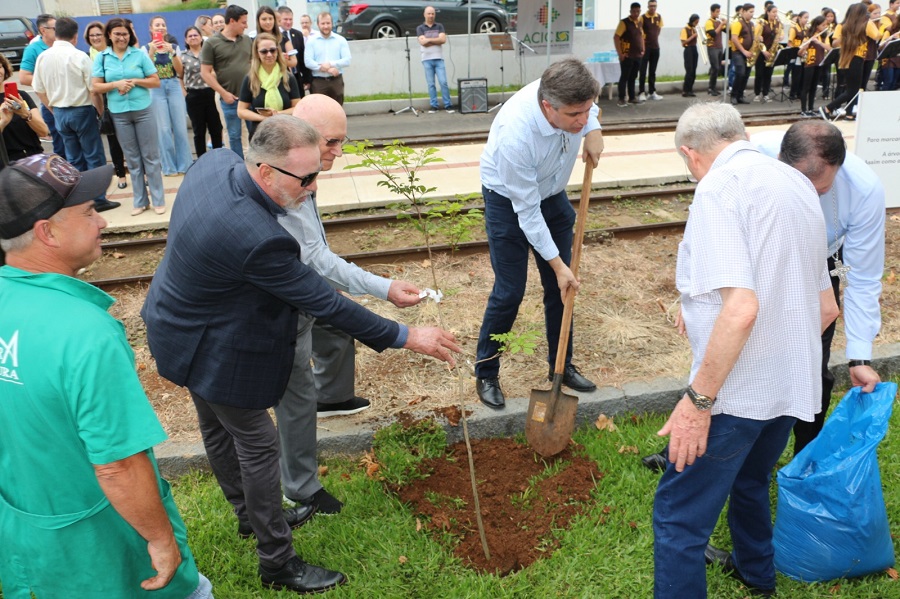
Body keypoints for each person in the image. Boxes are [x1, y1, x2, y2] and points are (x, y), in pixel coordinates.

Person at [141, 115, 460, 594]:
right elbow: (325, 302)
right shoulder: (258, 237)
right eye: (306, 178)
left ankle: (249, 516)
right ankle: (277, 561)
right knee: (258, 446)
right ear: (266, 171)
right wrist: (406, 336)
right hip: (211, 347)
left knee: (217, 429)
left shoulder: (215, 163)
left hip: (173, 322)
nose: (313, 188)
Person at [0, 153, 212, 599]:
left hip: (30, 541)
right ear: (47, 232)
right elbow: (117, 464)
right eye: (88, 212)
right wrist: (161, 540)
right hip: (104, 547)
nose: (102, 221)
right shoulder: (85, 331)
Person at [653, 102, 838, 599]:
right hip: (791, 384)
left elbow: (741, 308)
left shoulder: (718, 188)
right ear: (741, 135)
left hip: (736, 394)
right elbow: (826, 306)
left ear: (691, 155)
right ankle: (758, 576)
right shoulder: (796, 183)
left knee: (678, 516)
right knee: (751, 481)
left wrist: (698, 401)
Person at [275, 94, 424, 513]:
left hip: (300, 278)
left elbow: (311, 250)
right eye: (332, 142)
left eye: (343, 140)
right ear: (303, 138)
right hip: (279, 301)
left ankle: (333, 397)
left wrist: (341, 286)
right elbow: (314, 258)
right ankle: (300, 489)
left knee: (335, 323)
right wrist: (384, 290)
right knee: (295, 393)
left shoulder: (299, 166)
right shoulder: (285, 178)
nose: (340, 152)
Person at [474, 58, 603, 409]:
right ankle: (486, 371)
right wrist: (558, 265)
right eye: (575, 115)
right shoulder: (515, 135)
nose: (582, 119)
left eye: (587, 110)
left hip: (552, 194)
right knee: (509, 291)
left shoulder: (570, 97)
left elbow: (589, 109)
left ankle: (561, 365)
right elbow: (528, 214)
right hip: (509, 202)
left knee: (562, 289)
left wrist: (593, 130)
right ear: (548, 107)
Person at [753, 121, 884, 454]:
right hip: (759, 257)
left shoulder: (864, 189)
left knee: (811, 363)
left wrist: (858, 357)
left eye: (819, 191)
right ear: (779, 159)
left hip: (821, 264)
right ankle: (704, 447)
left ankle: (806, 456)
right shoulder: (753, 154)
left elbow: (863, 277)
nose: (806, 200)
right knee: (740, 355)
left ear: (838, 168)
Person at [31, 17, 119, 213]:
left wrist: (53, 109)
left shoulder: (43, 57)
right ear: (76, 36)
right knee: (93, 155)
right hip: (81, 109)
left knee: (73, 158)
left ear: (56, 33)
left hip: (59, 111)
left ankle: (80, 201)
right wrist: (100, 112)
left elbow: (38, 88)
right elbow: (93, 89)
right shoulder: (79, 56)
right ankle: (98, 199)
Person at [92, 18, 166, 216]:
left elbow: (155, 81)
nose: (121, 38)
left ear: (130, 35)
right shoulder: (102, 58)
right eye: (117, 34)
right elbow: (95, 87)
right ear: (109, 35)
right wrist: (115, 85)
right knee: (132, 159)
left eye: (125, 34)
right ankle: (140, 201)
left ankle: (158, 199)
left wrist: (136, 81)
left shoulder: (139, 55)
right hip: (119, 113)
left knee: (150, 156)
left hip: (143, 110)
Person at [201, 4, 252, 158]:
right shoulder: (212, 43)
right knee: (234, 136)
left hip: (250, 98)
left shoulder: (247, 40)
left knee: (254, 134)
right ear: (232, 21)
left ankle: (253, 165)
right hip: (230, 99)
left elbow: (253, 65)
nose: (246, 26)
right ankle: (237, 166)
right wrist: (223, 93)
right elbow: (205, 73)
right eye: (243, 22)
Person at [146, 16, 192, 176]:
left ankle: (185, 165)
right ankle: (169, 167)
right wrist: (152, 51)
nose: (160, 27)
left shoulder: (174, 47)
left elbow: (179, 71)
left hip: (173, 85)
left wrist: (172, 53)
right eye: (157, 25)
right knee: (163, 129)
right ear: (151, 29)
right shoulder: (145, 48)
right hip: (156, 88)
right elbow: (146, 70)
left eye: (163, 25)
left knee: (180, 128)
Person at [84, 20, 128, 190]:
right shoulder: (88, 57)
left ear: (106, 35)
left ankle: (141, 172)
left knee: (131, 140)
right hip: (104, 104)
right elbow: (93, 89)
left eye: (98, 34)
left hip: (122, 99)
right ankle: (121, 174)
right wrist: (101, 111)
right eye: (92, 35)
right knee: (113, 141)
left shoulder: (113, 54)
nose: (95, 38)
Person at [821, 3, 880, 119]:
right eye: (865, 12)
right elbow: (877, 36)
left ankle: (849, 114)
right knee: (852, 90)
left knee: (852, 88)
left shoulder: (845, 25)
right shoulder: (863, 24)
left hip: (849, 59)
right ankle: (828, 108)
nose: (867, 14)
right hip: (854, 58)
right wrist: (847, 36)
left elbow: (875, 37)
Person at [237, 34, 301, 140]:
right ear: (257, 53)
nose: (269, 54)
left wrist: (278, 114)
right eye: (264, 51)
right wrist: (264, 118)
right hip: (260, 134)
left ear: (278, 51)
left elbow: (297, 107)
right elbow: (241, 111)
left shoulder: (288, 77)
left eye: (273, 50)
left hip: (286, 132)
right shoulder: (251, 78)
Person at [18, 14, 65, 159]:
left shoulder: (63, 45)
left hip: (70, 101)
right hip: (51, 104)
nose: (59, 31)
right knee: (62, 148)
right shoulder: (33, 49)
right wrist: (49, 81)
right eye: (55, 28)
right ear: (43, 30)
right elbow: (24, 77)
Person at [0, 54, 48, 168]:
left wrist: (25, 114)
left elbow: (43, 132)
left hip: (34, 159)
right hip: (7, 165)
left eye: (0, 67)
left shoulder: (21, 96)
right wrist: (3, 122)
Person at [183, 26, 223, 158]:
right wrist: (185, 93)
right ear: (186, 40)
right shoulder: (183, 56)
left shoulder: (209, 54)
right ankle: (201, 159)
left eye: (196, 35)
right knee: (198, 131)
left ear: (201, 38)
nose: (193, 38)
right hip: (193, 95)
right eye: (190, 36)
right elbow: (179, 76)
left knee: (215, 128)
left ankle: (218, 157)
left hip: (210, 93)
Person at [304, 12, 351, 105]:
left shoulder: (341, 40)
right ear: (318, 24)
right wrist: (327, 69)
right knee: (318, 109)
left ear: (332, 23)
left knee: (337, 108)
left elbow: (347, 60)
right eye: (323, 23)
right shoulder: (311, 41)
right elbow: (308, 62)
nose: (326, 26)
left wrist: (331, 64)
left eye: (328, 23)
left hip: (336, 81)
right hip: (318, 82)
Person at [418, 6, 455, 113]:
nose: (431, 16)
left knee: (443, 82)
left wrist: (428, 39)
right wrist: (436, 39)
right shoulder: (420, 28)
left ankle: (448, 105)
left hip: (439, 59)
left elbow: (443, 40)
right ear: (424, 14)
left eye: (433, 14)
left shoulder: (439, 26)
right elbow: (422, 42)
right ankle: (434, 106)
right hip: (426, 60)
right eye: (429, 13)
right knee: (431, 84)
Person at [799, 15, 832, 116]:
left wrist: (819, 42)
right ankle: (803, 110)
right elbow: (799, 53)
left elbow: (829, 48)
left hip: (819, 63)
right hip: (809, 63)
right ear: (817, 26)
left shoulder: (824, 36)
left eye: (825, 25)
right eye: (823, 25)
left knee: (814, 87)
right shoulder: (808, 35)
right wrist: (805, 46)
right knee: (806, 87)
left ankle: (810, 109)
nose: (825, 27)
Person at [614, 3, 645, 107]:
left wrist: (643, 49)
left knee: (633, 77)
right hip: (627, 54)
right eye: (634, 11)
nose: (636, 13)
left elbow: (641, 36)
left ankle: (632, 97)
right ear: (630, 11)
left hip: (637, 55)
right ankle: (621, 98)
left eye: (638, 11)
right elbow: (616, 37)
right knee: (625, 77)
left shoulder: (639, 22)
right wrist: (620, 53)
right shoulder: (624, 23)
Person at [751, 4, 782, 102]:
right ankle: (757, 93)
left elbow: (779, 35)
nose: (775, 14)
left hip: (772, 52)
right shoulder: (762, 23)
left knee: (768, 74)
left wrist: (780, 37)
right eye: (773, 12)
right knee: (759, 74)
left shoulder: (777, 24)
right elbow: (756, 38)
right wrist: (763, 50)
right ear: (768, 12)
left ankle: (765, 93)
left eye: (776, 12)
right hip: (761, 52)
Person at [252, 6, 298, 71]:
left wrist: (282, 59)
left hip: (282, 73)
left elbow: (294, 62)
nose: (268, 22)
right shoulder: (254, 40)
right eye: (264, 19)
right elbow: (253, 62)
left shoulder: (283, 37)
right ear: (258, 21)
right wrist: (277, 57)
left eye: (270, 19)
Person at [277, 6, 312, 91]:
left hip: (297, 77)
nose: (288, 22)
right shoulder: (274, 36)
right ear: (278, 20)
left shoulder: (297, 34)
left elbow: (302, 57)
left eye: (290, 19)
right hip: (281, 78)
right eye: (285, 19)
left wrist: (306, 79)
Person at [729, 3, 756, 104]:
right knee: (740, 73)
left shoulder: (752, 24)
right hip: (738, 52)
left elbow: (752, 37)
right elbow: (734, 38)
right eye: (750, 12)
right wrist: (744, 51)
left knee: (746, 75)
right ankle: (733, 95)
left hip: (749, 52)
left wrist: (758, 38)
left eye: (753, 12)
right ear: (743, 12)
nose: (752, 14)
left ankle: (740, 96)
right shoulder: (737, 23)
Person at [639, 0, 665, 101]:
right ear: (648, 6)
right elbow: (639, 31)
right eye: (651, 6)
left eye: (654, 6)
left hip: (655, 47)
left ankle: (652, 92)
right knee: (643, 71)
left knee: (652, 71)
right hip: (645, 47)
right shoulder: (643, 17)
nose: (653, 8)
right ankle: (641, 92)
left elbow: (659, 29)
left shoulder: (659, 17)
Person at [705, 3, 727, 94]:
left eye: (719, 11)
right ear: (712, 12)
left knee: (718, 68)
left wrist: (726, 23)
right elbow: (713, 33)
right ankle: (711, 88)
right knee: (715, 67)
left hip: (719, 47)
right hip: (712, 47)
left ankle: (713, 88)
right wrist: (721, 25)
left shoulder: (718, 22)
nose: (719, 13)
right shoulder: (709, 22)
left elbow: (727, 31)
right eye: (717, 12)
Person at [788, 11, 810, 100]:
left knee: (804, 75)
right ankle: (792, 94)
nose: (807, 20)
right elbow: (790, 43)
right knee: (796, 76)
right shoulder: (794, 28)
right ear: (799, 18)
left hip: (804, 54)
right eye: (805, 17)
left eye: (807, 18)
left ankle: (800, 93)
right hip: (796, 54)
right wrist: (796, 50)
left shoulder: (806, 29)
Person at [879, 0, 900, 90]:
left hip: (898, 60)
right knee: (888, 82)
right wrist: (891, 38)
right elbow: (880, 45)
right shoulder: (889, 30)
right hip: (888, 60)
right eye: (897, 3)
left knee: (895, 83)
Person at [681, 14, 700, 96]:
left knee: (694, 71)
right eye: (696, 22)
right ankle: (685, 90)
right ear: (692, 21)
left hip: (694, 48)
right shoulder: (685, 29)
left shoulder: (694, 29)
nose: (697, 24)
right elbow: (683, 43)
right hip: (688, 49)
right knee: (689, 70)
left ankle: (690, 89)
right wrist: (693, 36)